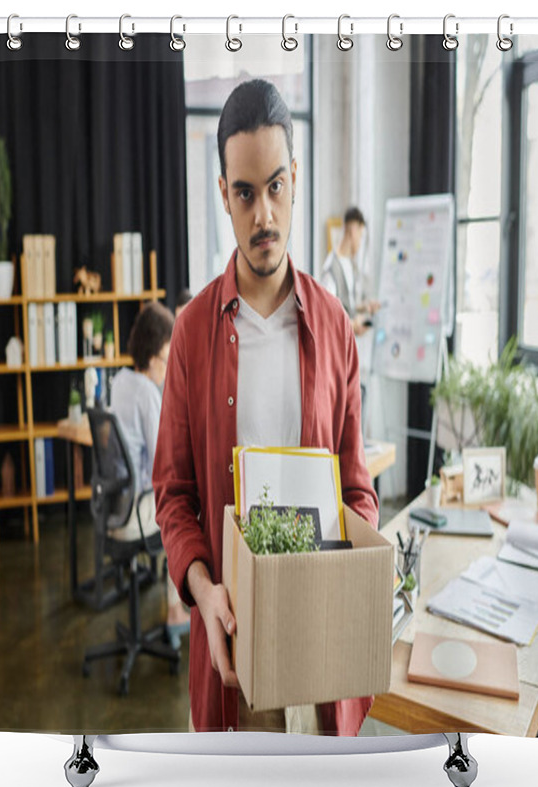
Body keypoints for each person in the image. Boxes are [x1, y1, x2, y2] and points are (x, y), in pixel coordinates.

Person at [152, 79, 378, 735]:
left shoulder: (334, 327)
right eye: (246, 194)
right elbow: (173, 494)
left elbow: (357, 488)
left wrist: (360, 568)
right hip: (234, 648)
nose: (264, 216)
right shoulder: (192, 332)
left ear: (296, 180)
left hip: (325, 651)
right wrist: (202, 589)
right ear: (223, 193)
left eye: (276, 187)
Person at [109, 301, 191, 648]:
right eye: (166, 358)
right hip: (137, 510)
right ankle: (176, 610)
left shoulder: (120, 381)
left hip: (115, 508)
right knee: (184, 510)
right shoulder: (147, 393)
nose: (168, 366)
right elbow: (164, 464)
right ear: (153, 354)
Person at [321, 206, 381, 336]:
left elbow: (347, 306)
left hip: (348, 347)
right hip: (337, 350)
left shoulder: (349, 263)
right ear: (353, 230)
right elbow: (327, 316)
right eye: (361, 235)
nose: (360, 243)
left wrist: (365, 307)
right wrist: (353, 325)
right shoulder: (331, 268)